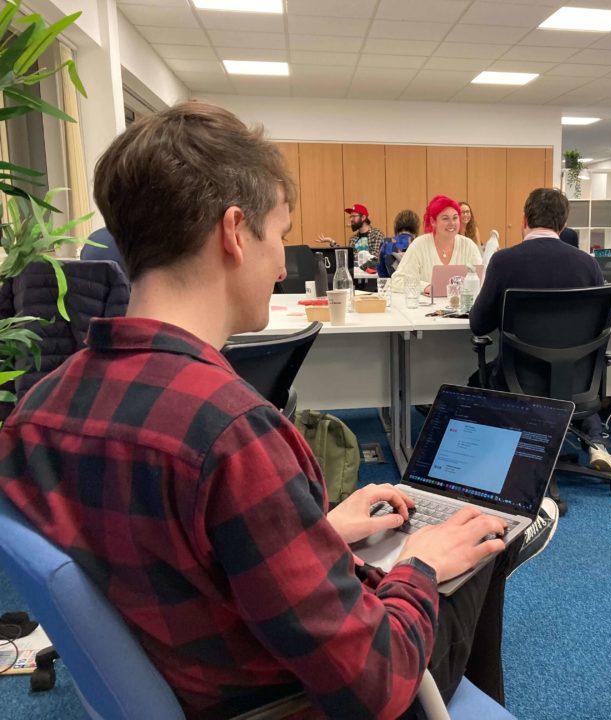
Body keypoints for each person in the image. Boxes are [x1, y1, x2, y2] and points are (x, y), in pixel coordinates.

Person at [0, 101, 552, 719]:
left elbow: (161, 549)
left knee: (453, 547)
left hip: (192, 666)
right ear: (235, 232)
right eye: (281, 234)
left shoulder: (37, 409)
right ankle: (500, 534)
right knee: (474, 554)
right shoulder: (233, 433)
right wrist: (420, 566)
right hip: (291, 699)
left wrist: (314, 532)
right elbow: (374, 682)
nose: (283, 263)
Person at [470, 187, 611, 480]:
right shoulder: (588, 264)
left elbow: (479, 325)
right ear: (563, 225)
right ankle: (597, 443)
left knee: (477, 378)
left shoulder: (505, 261)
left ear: (524, 219)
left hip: (518, 380)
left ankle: (499, 456)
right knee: (566, 386)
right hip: (576, 380)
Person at [391, 195, 483, 293]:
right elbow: (397, 281)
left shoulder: (468, 246)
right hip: (425, 307)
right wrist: (426, 287)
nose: (451, 223)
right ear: (433, 221)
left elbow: (482, 281)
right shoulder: (419, 245)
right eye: (445, 218)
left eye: (455, 218)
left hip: (462, 307)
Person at [319, 203, 385, 267]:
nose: (351, 219)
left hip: (371, 275)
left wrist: (354, 257)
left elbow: (375, 258)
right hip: (355, 274)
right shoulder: (353, 239)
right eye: (350, 217)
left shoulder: (377, 235)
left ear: (363, 217)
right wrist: (331, 241)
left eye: (354, 216)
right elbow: (346, 256)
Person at [378, 209, 420, 277]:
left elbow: (381, 272)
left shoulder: (385, 243)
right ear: (416, 227)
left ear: (396, 226)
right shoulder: (419, 244)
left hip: (392, 285)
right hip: (414, 285)